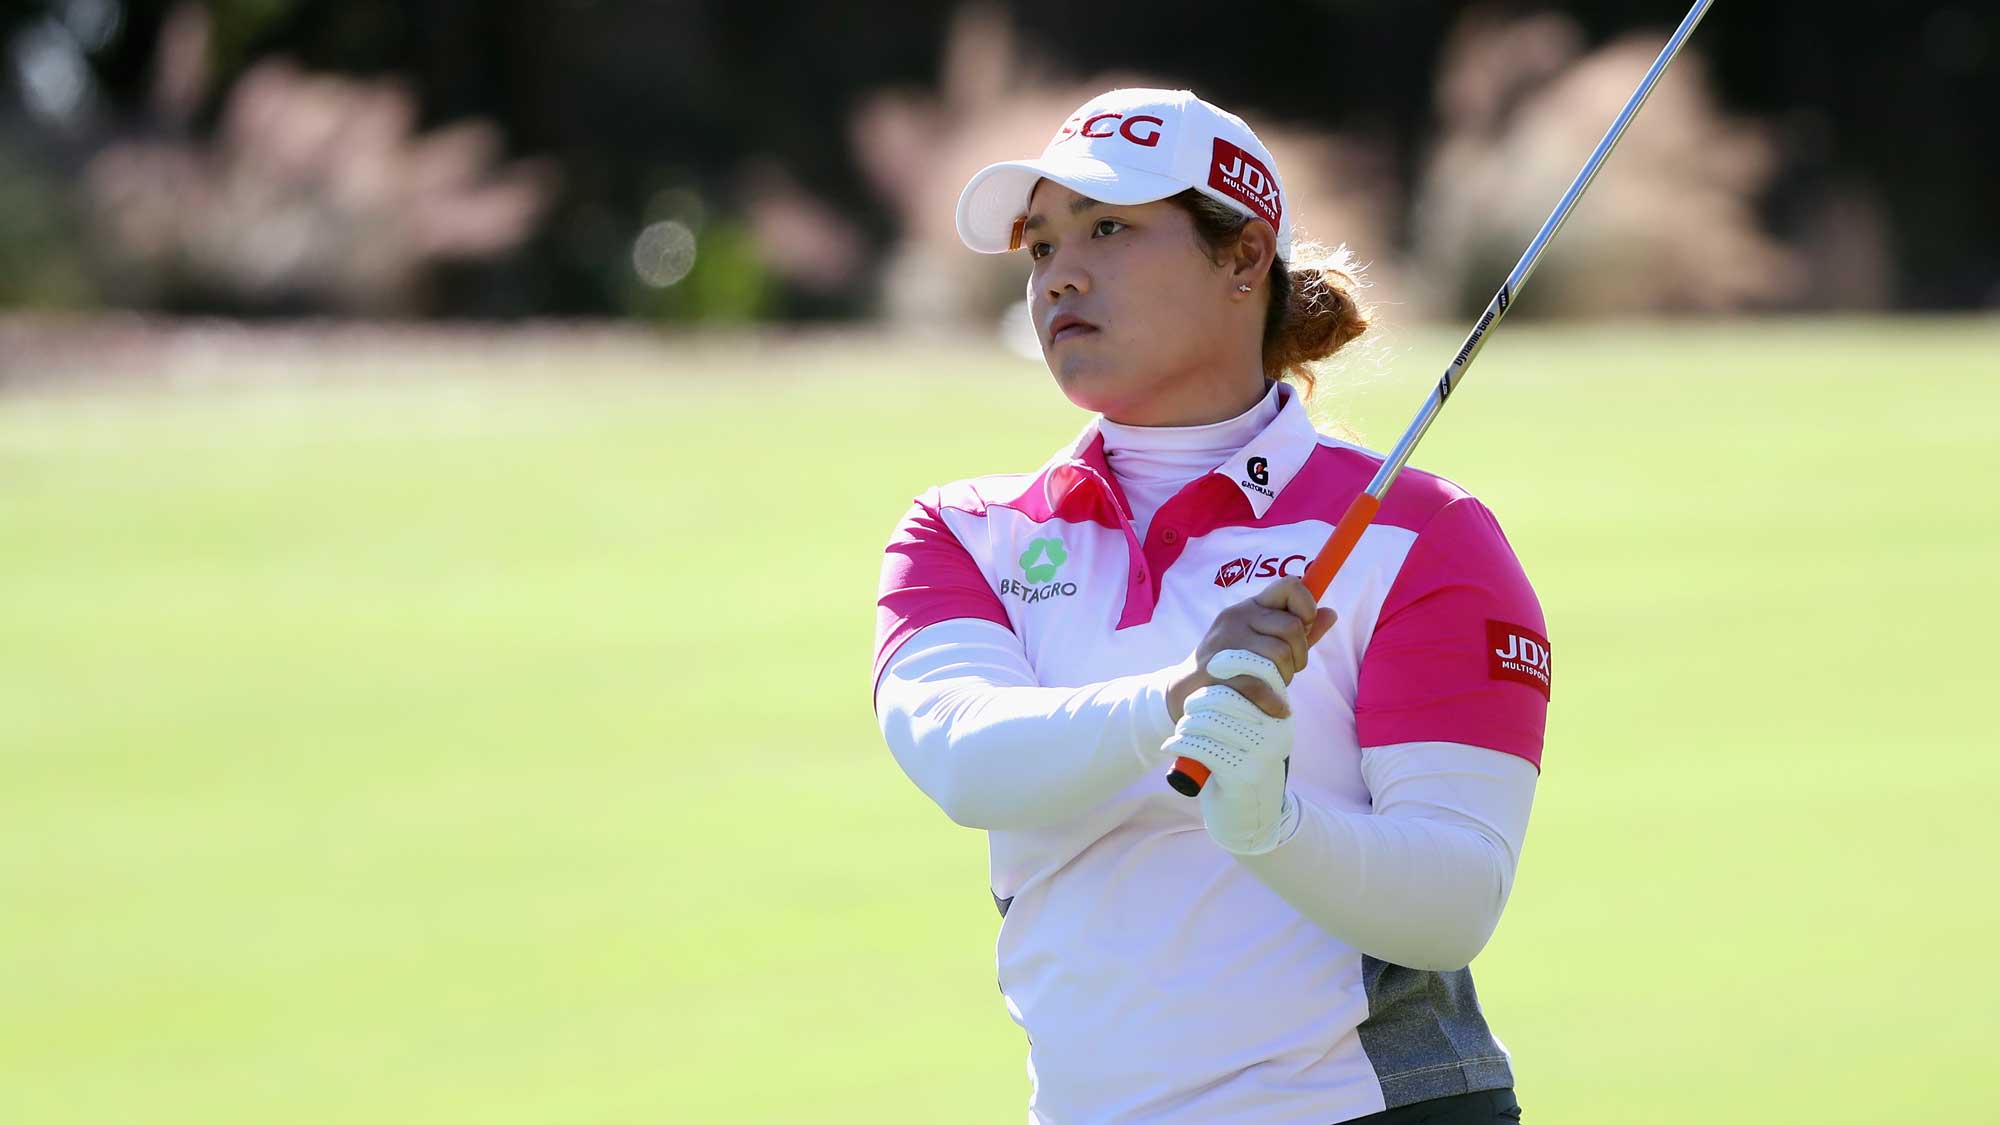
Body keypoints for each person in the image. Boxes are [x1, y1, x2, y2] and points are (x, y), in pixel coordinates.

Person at [871, 88, 1549, 1125]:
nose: (1061, 274)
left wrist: (1269, 825)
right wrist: (1178, 698)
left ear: (1242, 261)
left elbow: (1452, 906)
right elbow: (965, 758)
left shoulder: (1422, 535)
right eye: (1041, 245)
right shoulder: (965, 534)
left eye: (1108, 229)